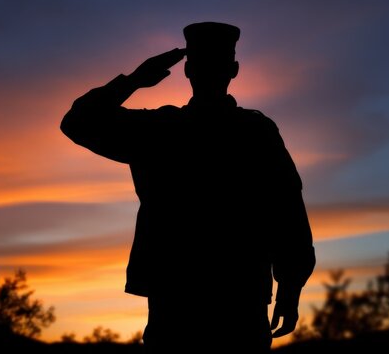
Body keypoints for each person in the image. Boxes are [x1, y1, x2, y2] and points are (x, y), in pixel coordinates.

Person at [60, 22, 315, 352]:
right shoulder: (254, 133)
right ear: (233, 70)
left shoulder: (160, 131)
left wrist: (136, 80)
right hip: (232, 292)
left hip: (184, 292)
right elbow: (287, 213)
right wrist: (290, 288)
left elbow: (79, 121)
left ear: (188, 69)